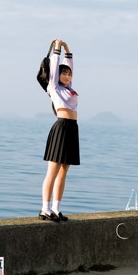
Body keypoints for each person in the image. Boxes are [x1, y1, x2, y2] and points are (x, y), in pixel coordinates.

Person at [40, 39, 80, 222]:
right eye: (64, 73)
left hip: (72, 129)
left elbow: (69, 63)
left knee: (64, 171)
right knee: (53, 171)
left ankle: (56, 208)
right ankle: (45, 208)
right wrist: (57, 48)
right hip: (61, 128)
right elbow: (55, 67)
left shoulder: (69, 90)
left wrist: (67, 49)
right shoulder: (54, 87)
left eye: (69, 74)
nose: (67, 75)